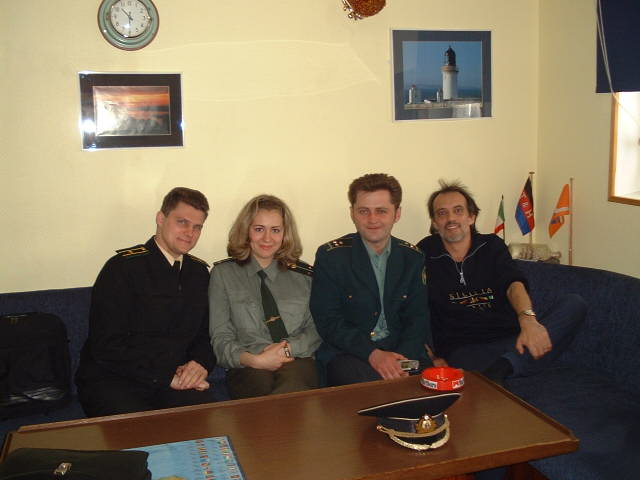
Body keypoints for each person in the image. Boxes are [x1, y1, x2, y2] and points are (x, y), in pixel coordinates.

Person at [416, 180, 586, 384]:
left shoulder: (491, 245)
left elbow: (513, 284)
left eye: (458, 210)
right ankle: (513, 367)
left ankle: (499, 371)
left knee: (575, 304)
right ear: (435, 222)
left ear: (471, 217)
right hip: (465, 350)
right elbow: (413, 308)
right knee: (468, 361)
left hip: (513, 340)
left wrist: (528, 321)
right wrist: (431, 357)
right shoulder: (423, 253)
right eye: (442, 213)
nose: (450, 218)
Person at [76, 187, 216, 417]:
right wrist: (164, 376)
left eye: (197, 227)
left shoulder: (199, 273)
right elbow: (107, 345)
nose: (190, 232)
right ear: (161, 219)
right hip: (114, 379)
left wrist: (199, 364)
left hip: (173, 377)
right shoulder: (122, 268)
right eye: (182, 222)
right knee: (141, 440)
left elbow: (206, 332)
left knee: (206, 424)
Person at [310, 173, 432, 386]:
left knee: (434, 386)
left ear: (397, 214)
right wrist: (373, 354)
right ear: (352, 213)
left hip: (402, 353)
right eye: (364, 211)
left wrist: (400, 361)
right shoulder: (331, 257)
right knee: (373, 387)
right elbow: (328, 321)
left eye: (381, 211)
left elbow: (418, 317)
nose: (372, 219)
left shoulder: (413, 257)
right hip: (351, 354)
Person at [209, 194, 321, 399]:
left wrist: (287, 350)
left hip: (296, 359)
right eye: (259, 229)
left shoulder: (304, 277)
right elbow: (220, 337)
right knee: (258, 385)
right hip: (247, 363)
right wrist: (254, 360)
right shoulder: (223, 275)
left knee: (293, 385)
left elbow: (316, 329)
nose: (267, 238)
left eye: (275, 230)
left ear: (285, 234)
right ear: (246, 231)